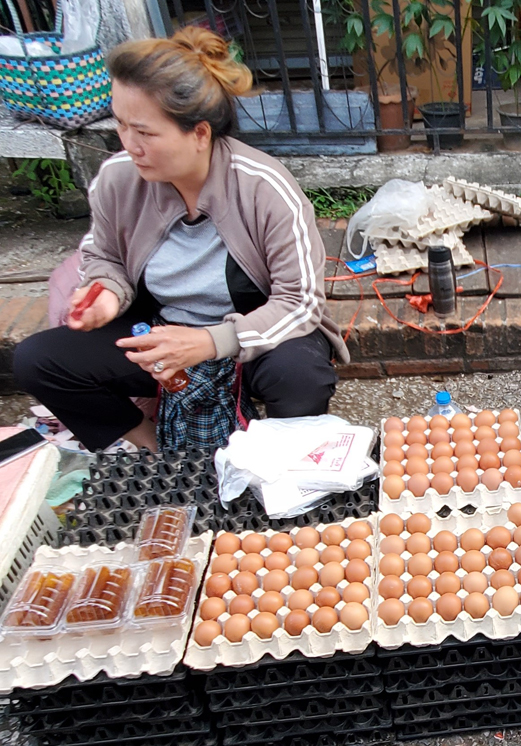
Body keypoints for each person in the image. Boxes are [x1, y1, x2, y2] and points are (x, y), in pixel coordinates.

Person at [14, 27, 349, 452]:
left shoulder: (264, 188)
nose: (129, 145)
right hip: (161, 330)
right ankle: (156, 450)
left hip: (253, 334)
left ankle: (280, 459)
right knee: (39, 361)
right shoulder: (118, 179)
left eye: (145, 132)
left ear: (200, 134)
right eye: (120, 124)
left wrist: (211, 342)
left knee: (300, 374)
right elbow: (104, 256)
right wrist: (106, 292)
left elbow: (300, 301)